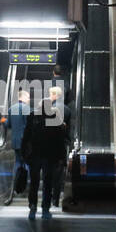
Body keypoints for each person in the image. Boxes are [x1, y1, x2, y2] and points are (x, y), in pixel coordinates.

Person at [22, 93, 69, 222]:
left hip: (35, 155)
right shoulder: (54, 117)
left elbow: (26, 136)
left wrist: (23, 153)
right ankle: (45, 209)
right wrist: (62, 156)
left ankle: (32, 208)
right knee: (47, 183)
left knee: (34, 182)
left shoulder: (32, 117)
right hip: (50, 156)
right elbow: (60, 139)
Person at [3, 89, 32, 205]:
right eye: (28, 98)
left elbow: (8, 124)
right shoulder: (27, 109)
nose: (29, 100)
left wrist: (3, 120)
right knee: (28, 163)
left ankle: (14, 187)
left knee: (17, 162)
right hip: (25, 142)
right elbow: (29, 126)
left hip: (15, 142)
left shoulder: (11, 109)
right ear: (24, 97)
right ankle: (26, 186)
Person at [46, 85, 71, 209]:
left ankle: (47, 197)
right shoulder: (67, 109)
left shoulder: (48, 109)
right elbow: (69, 130)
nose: (49, 97)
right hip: (61, 146)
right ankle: (55, 199)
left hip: (49, 146)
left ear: (55, 95)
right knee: (58, 175)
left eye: (51, 94)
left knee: (48, 173)